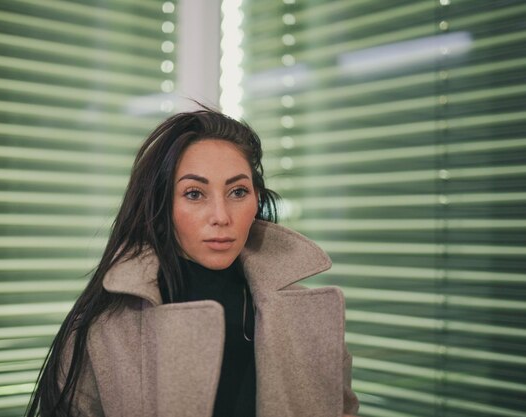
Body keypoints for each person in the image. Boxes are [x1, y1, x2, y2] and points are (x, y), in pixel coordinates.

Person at [26, 108, 359, 417]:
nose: (221, 216)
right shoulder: (107, 326)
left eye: (238, 192)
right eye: (195, 194)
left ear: (257, 199)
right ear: (162, 205)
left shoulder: (304, 313)